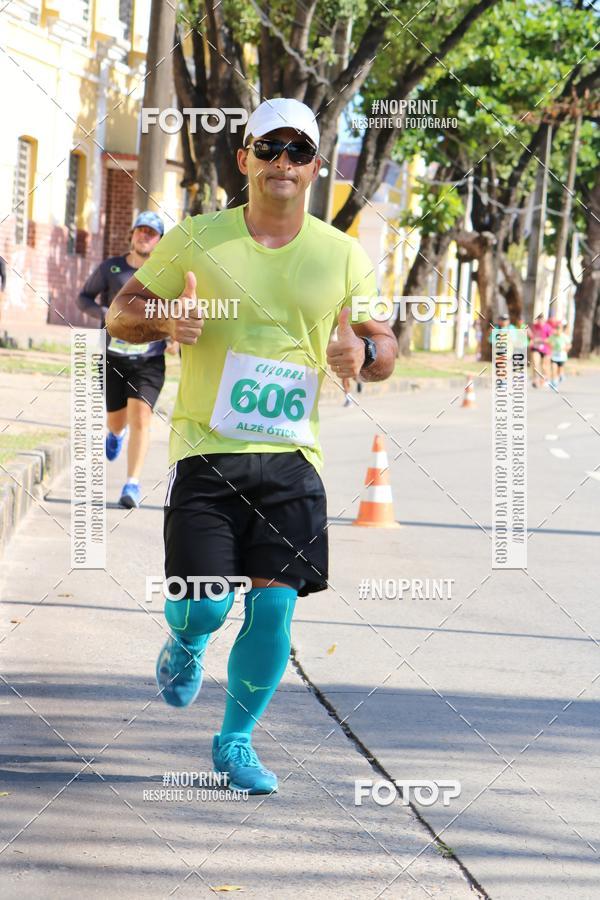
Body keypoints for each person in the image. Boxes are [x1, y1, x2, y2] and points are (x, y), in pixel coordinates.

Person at [107, 98, 396, 794]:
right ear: (245, 158)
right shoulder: (196, 238)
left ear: (316, 166)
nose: (283, 163)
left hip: (296, 461)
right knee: (206, 603)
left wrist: (363, 351)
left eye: (299, 150)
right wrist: (166, 319)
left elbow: (383, 345)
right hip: (207, 456)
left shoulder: (343, 253)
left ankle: (235, 741)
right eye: (270, 148)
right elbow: (122, 311)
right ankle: (187, 636)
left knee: (274, 607)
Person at [77, 211, 175, 508]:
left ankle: (132, 484)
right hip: (113, 358)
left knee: (141, 416)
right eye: (141, 230)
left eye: (152, 233)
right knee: (117, 419)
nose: (145, 236)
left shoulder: (165, 273)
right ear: (132, 234)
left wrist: (171, 335)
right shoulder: (111, 268)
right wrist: (106, 315)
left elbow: (176, 307)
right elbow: (84, 297)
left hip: (149, 360)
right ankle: (115, 433)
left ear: (159, 241)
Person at [527, 313, 553, 388]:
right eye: (538, 319)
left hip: (546, 349)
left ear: (544, 319)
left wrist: (541, 340)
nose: (539, 321)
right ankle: (535, 379)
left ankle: (545, 379)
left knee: (545, 366)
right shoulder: (534, 327)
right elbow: (531, 336)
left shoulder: (548, 327)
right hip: (536, 348)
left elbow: (551, 339)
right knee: (535, 362)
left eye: (541, 319)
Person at [549, 321, 571, 390]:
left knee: (559, 371)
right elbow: (548, 341)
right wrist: (550, 345)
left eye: (559, 328)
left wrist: (566, 348)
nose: (557, 330)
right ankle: (554, 382)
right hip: (554, 356)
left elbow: (569, 345)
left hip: (562, 357)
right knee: (553, 368)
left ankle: (560, 376)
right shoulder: (553, 336)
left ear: (561, 329)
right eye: (556, 328)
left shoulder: (564, 336)